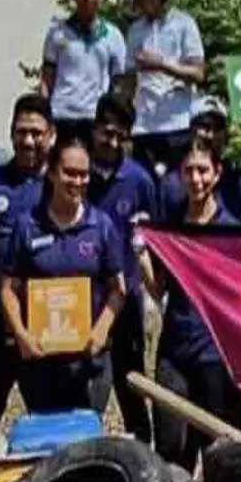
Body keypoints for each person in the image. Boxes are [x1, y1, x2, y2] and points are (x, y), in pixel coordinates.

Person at [1, 134, 126, 416]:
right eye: (70, 173)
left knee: (85, 441)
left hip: (89, 361)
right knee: (48, 444)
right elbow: (8, 288)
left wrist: (102, 328)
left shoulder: (102, 226)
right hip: (41, 362)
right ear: (52, 173)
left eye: (84, 174)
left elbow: (118, 289)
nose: (78, 182)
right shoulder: (27, 226)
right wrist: (20, 334)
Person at [144, 139, 241, 472]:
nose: (196, 178)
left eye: (203, 170)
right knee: (171, 446)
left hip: (216, 354)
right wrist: (140, 254)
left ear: (217, 174)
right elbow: (158, 288)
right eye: (189, 171)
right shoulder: (171, 227)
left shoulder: (232, 231)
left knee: (217, 450)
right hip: (174, 351)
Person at [0, 95, 54, 441]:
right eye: (21, 132)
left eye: (36, 132)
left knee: (48, 424)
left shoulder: (66, 186)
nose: (29, 140)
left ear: (51, 135)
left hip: (47, 329)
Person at [86, 96, 160, 444]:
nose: (111, 142)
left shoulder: (139, 181)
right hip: (84, 301)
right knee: (89, 393)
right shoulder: (76, 170)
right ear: (95, 127)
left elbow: (153, 238)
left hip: (127, 301)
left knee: (133, 388)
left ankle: (144, 457)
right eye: (106, 132)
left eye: (120, 136)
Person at [123, 0, 207, 175]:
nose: (138, 4)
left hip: (177, 124)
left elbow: (198, 73)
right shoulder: (135, 30)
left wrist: (162, 65)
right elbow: (130, 78)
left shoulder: (184, 24)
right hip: (143, 126)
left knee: (177, 189)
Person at [41, 0, 129, 144]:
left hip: (95, 119)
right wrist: (43, 114)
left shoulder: (113, 36)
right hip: (60, 115)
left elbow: (119, 84)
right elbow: (47, 79)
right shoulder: (57, 32)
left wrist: (114, 120)